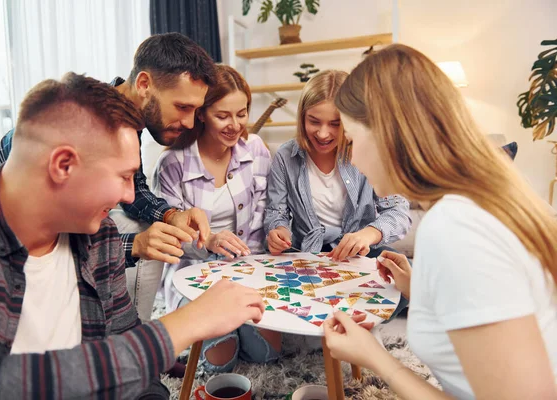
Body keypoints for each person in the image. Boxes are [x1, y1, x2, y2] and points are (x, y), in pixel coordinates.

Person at [0, 73, 265, 399]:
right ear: (63, 165)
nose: (130, 197)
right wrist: (185, 324)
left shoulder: (100, 236)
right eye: (124, 177)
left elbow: (133, 363)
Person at [323, 44, 557, 399]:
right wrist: (422, 290)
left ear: (388, 134)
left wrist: (377, 358)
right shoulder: (486, 197)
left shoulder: (455, 226)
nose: (352, 159)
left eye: (352, 140)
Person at [0, 33, 216, 322]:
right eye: (182, 107)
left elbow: (134, 191)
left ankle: (134, 336)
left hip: (50, 222)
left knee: (146, 230)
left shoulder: (128, 119)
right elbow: (59, 234)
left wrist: (170, 215)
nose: (190, 123)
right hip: (5, 236)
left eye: (196, 110)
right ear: (144, 84)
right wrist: (136, 244)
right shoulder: (77, 124)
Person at [153, 64, 279, 372]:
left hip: (249, 269)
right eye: (223, 115)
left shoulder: (256, 150)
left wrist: (277, 232)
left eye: (242, 113)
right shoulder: (172, 165)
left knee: (267, 353)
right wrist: (208, 241)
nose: (234, 125)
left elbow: (270, 212)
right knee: (218, 363)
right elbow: (171, 240)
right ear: (201, 114)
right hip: (194, 273)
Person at [263, 69, 411, 263]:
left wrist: (368, 234)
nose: (323, 134)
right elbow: (277, 212)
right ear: (302, 117)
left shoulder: (370, 151)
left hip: (360, 254)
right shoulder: (285, 156)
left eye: (335, 124)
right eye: (314, 121)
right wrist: (279, 231)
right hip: (305, 253)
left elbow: (398, 211)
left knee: (408, 276)